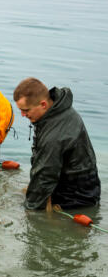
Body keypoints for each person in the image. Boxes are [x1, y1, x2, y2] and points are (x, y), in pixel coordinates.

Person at [13, 78, 100, 210]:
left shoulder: (55, 135)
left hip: (76, 197)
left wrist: (30, 208)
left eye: (26, 110)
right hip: (73, 184)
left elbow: (45, 175)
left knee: (28, 209)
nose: (23, 115)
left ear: (43, 104)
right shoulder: (56, 111)